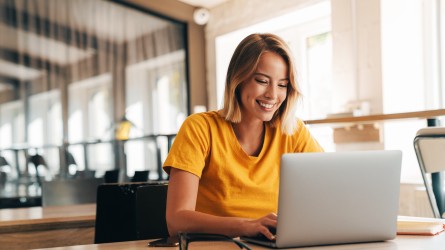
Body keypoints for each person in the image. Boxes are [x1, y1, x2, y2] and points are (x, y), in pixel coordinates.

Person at [163, 33, 323, 240]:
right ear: (238, 79)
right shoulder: (200, 128)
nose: (273, 95)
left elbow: (328, 190)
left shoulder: (292, 131)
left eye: (282, 85)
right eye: (262, 81)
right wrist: (246, 226)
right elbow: (176, 221)